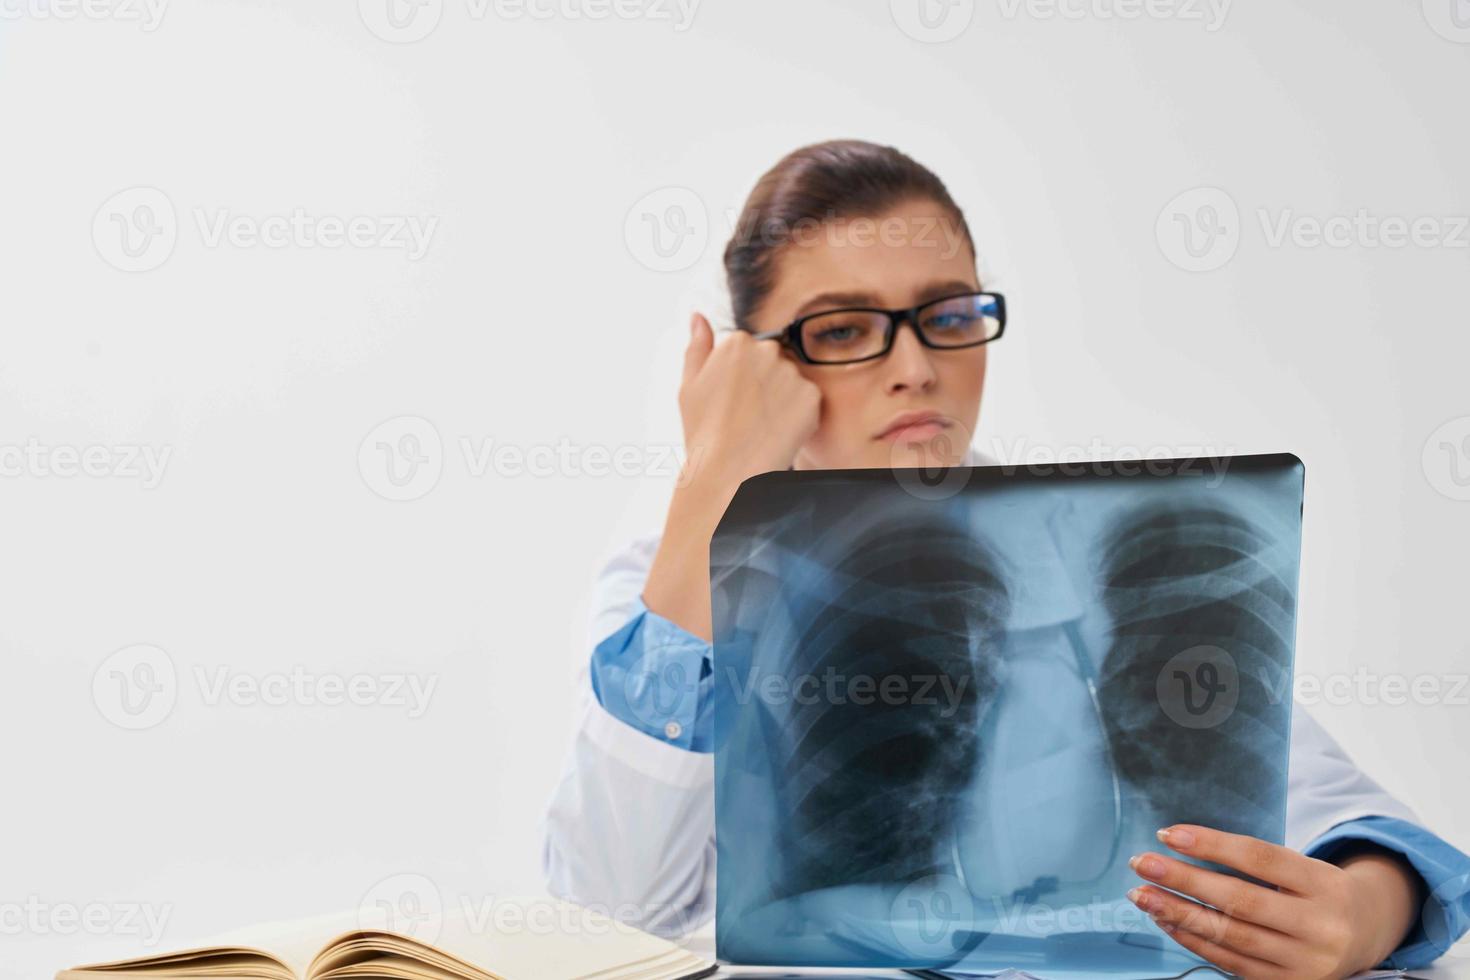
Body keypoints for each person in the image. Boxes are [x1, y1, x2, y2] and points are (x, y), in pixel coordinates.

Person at [542, 139, 1470, 977]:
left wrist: (1360, 911)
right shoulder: (675, 577)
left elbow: (1332, 811)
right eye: (841, 329)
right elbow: (605, 911)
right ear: (756, 364)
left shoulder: (1088, 542)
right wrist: (715, 483)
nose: (915, 368)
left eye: (946, 315)